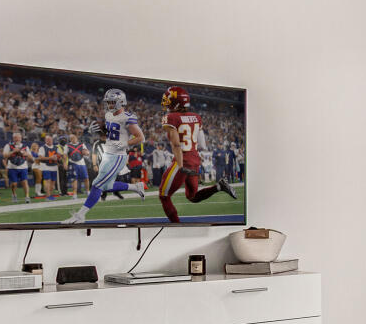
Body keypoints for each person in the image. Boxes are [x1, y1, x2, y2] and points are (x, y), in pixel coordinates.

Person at [156, 85, 237, 223]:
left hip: (182, 161)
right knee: (192, 196)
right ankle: (219, 186)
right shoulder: (196, 117)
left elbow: (176, 145)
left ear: (176, 102)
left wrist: (180, 165)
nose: (166, 103)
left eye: (169, 100)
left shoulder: (171, 117)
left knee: (164, 196)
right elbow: (202, 143)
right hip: (194, 160)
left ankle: (176, 226)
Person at [66, 89, 146, 225]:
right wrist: (97, 130)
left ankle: (80, 215)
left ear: (120, 102)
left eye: (112, 102)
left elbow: (140, 137)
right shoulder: (109, 114)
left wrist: (125, 143)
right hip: (108, 154)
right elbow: (111, 131)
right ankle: (136, 187)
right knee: (107, 185)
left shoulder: (128, 117)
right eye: (108, 102)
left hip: (118, 156)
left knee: (97, 185)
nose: (109, 104)